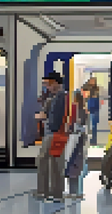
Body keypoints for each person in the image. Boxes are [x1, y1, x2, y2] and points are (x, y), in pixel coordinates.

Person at [34, 71, 67, 201]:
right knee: (53, 163)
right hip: (55, 134)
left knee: (44, 160)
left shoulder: (59, 98)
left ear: (55, 83)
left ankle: (45, 191)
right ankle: (53, 192)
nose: (46, 87)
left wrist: (42, 117)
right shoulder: (56, 97)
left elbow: (53, 118)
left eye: (48, 84)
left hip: (53, 134)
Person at [84, 77, 101, 146]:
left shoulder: (96, 89)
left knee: (94, 125)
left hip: (95, 109)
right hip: (90, 108)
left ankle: (94, 140)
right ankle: (89, 139)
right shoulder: (87, 87)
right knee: (90, 125)